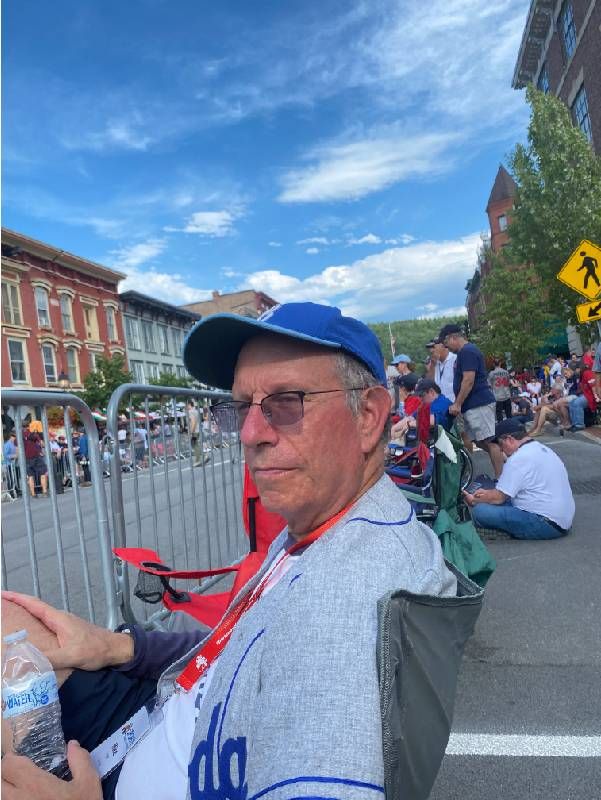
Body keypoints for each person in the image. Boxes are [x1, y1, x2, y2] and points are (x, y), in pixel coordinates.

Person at [2, 302, 474, 800]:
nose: (249, 434)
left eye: (286, 403)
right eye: (239, 407)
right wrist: (121, 646)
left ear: (369, 416)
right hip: (163, 715)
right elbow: (241, 646)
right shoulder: (323, 524)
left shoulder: (343, 603)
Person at [463, 418, 575, 539]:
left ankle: (508, 530)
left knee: (480, 511)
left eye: (501, 445)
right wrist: (487, 494)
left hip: (545, 522)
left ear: (509, 439)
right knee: (496, 500)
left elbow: (499, 498)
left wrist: (474, 500)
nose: (501, 450)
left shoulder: (518, 459)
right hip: (563, 519)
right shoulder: (544, 449)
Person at [438, 323, 504, 478]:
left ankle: (501, 479)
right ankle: (505, 459)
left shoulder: (467, 351)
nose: (447, 348)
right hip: (472, 405)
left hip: (479, 403)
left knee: (489, 441)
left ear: (453, 337)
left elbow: (468, 380)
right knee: (479, 441)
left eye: (447, 344)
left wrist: (457, 403)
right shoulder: (463, 353)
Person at [567, 366, 600, 431]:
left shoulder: (587, 372)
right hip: (586, 395)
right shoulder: (580, 375)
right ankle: (574, 424)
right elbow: (581, 389)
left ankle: (579, 425)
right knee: (571, 402)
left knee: (577, 403)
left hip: (593, 396)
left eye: (577, 368)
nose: (576, 370)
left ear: (580, 368)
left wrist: (597, 397)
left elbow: (593, 387)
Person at [23, 427, 48, 497]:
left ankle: (33, 493)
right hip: (36, 456)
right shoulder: (33, 434)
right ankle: (45, 491)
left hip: (27, 458)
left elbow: (18, 448)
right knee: (43, 473)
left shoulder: (20, 436)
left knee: (30, 476)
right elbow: (42, 444)